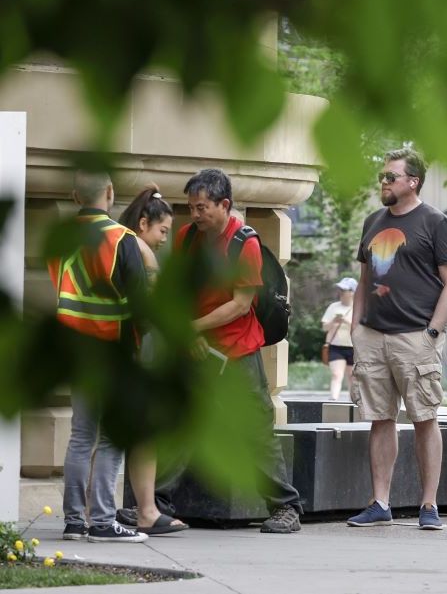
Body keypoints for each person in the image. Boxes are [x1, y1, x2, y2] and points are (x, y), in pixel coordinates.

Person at [175, 168, 304, 533]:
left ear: (224, 205)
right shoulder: (186, 239)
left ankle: (286, 508)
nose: (196, 214)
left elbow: (239, 304)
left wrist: (193, 328)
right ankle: (158, 506)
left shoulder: (243, 242)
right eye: (192, 208)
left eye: (202, 207)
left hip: (237, 351)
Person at [347, 148, 447, 530]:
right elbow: (364, 279)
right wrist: (355, 328)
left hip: (416, 336)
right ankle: (380, 502)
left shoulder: (435, 222)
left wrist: (432, 333)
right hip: (373, 335)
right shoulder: (372, 221)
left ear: (412, 182)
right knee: (380, 419)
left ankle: (428, 505)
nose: (384, 182)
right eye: (383, 176)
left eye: (390, 177)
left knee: (425, 418)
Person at [48, 171, 149, 543]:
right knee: (110, 440)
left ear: (75, 196)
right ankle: (104, 522)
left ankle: (74, 522)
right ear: (109, 192)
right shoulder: (122, 239)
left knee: (80, 437)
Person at [116, 186, 187, 535]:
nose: (164, 239)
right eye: (163, 231)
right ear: (144, 222)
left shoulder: (119, 242)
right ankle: (145, 510)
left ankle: (140, 508)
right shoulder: (139, 249)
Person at [321, 277, 357, 401]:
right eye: (340, 289)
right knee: (336, 374)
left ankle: (353, 402)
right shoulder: (333, 307)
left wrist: (346, 321)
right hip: (336, 347)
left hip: (354, 347)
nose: (341, 292)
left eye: (344, 289)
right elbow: (324, 327)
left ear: (352, 292)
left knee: (352, 376)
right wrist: (333, 321)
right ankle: (333, 399)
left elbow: (361, 328)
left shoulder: (358, 308)